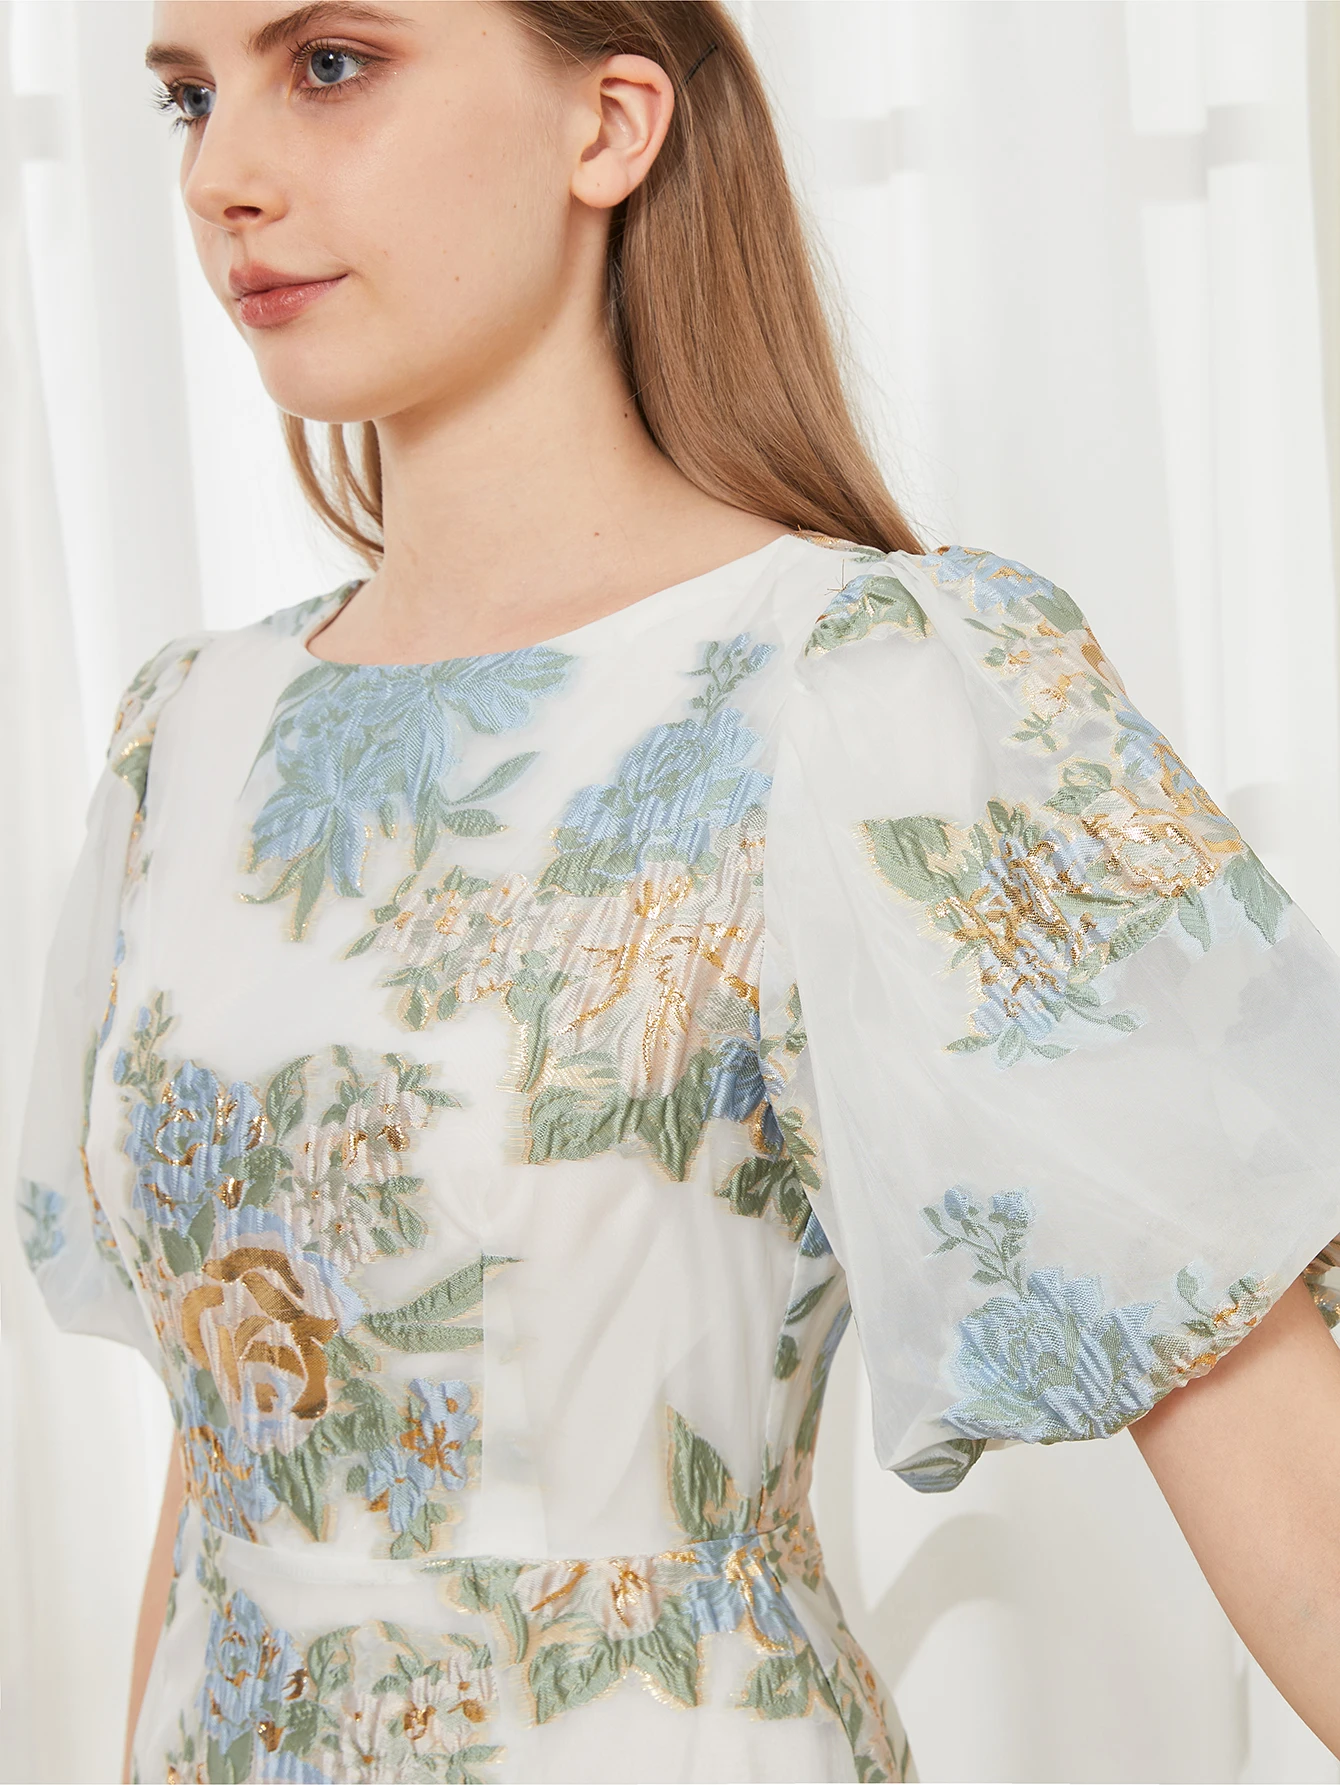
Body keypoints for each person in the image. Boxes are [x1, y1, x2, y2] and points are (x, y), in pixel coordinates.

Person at [16, 2, 1340, 1781]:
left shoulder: (859, 683)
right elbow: (233, 1460)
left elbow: (1279, 1461)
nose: (223, 178)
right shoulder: (192, 731)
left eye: (329, 65)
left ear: (611, 126)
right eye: (191, 99)